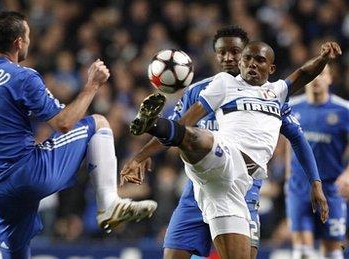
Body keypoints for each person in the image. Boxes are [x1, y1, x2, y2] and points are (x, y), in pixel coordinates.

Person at [0, 11, 157, 259]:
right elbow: (64, 123)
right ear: (19, 42)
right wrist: (92, 85)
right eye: (27, 35)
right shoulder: (22, 77)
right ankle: (108, 204)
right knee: (98, 123)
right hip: (26, 174)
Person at [123, 41, 340, 259]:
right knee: (196, 137)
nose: (252, 64)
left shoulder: (277, 92)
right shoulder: (225, 83)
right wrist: (141, 155)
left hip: (234, 188)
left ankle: (157, 125)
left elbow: (303, 73)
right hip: (223, 156)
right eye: (247, 59)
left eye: (260, 60)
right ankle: (153, 123)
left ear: (271, 69)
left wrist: (323, 58)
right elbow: (185, 122)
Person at [286, 65, 349, 259]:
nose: (316, 79)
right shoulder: (291, 107)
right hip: (299, 186)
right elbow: (288, 145)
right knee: (302, 251)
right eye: (312, 74)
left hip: (331, 188)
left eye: (322, 74)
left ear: (330, 79)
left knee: (332, 251)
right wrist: (288, 176)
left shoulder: (344, 110)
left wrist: (348, 174)